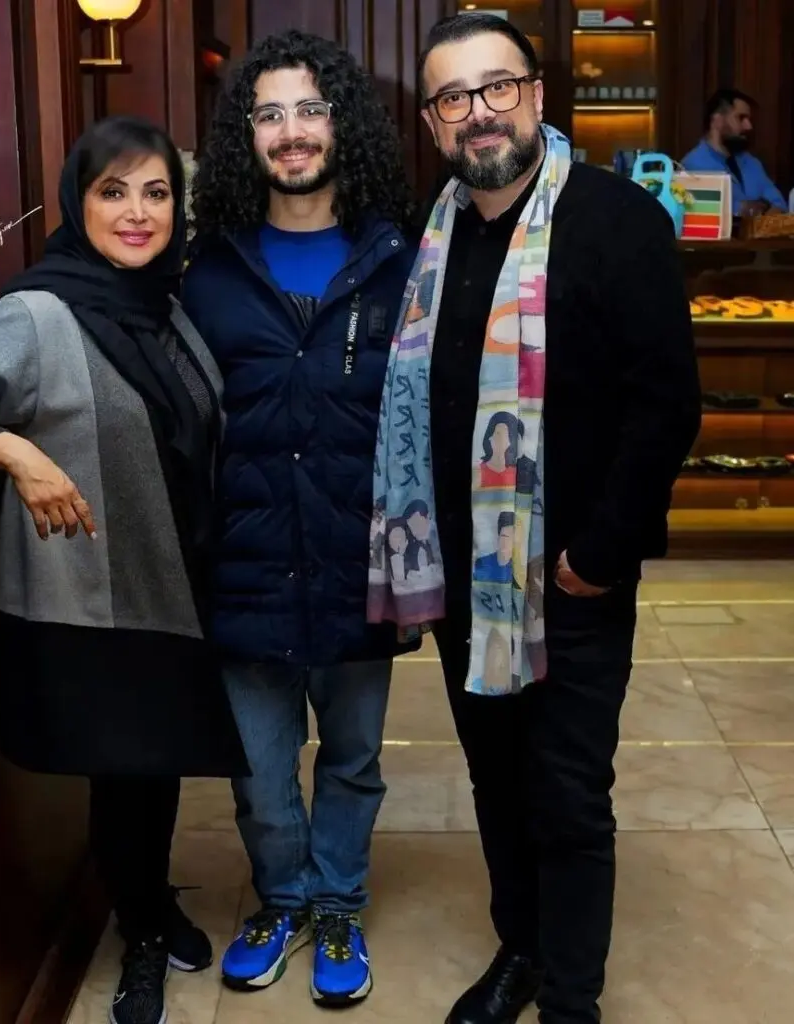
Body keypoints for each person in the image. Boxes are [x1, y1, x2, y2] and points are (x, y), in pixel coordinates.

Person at [368, 13, 702, 1024]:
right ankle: (519, 947)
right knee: (496, 780)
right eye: (453, 96)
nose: (479, 112)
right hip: (464, 577)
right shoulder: (429, 237)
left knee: (565, 793)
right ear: (433, 121)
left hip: (570, 581)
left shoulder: (614, 220)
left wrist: (597, 554)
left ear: (536, 94)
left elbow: (665, 405)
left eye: (497, 86)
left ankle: (570, 999)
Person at [0, 115, 248, 1024]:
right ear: (77, 203)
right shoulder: (40, 314)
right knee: (124, 772)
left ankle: (153, 903)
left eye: (157, 193)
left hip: (170, 584)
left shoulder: (165, 306)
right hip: (100, 599)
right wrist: (12, 450)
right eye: (112, 191)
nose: (137, 212)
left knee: (155, 768)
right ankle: (139, 935)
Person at [182, 28, 418, 1009]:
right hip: (243, 563)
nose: (290, 131)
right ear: (245, 135)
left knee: (352, 761)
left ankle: (337, 905)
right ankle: (281, 900)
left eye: (309, 109)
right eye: (268, 112)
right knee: (259, 769)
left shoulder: (399, 258)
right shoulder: (207, 268)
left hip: (361, 563)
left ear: (341, 123)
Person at [681, 87, 787, 216]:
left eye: (749, 119)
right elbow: (704, 213)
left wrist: (750, 209)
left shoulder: (752, 163)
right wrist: (746, 208)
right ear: (717, 121)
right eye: (741, 118)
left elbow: (780, 205)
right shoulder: (692, 167)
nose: (749, 126)